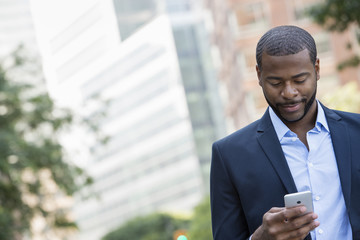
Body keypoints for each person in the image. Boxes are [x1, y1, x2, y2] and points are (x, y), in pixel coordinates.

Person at [210, 25, 360, 240]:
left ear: (317, 69)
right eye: (275, 82)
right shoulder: (229, 156)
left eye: (300, 80)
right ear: (259, 75)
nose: (289, 92)